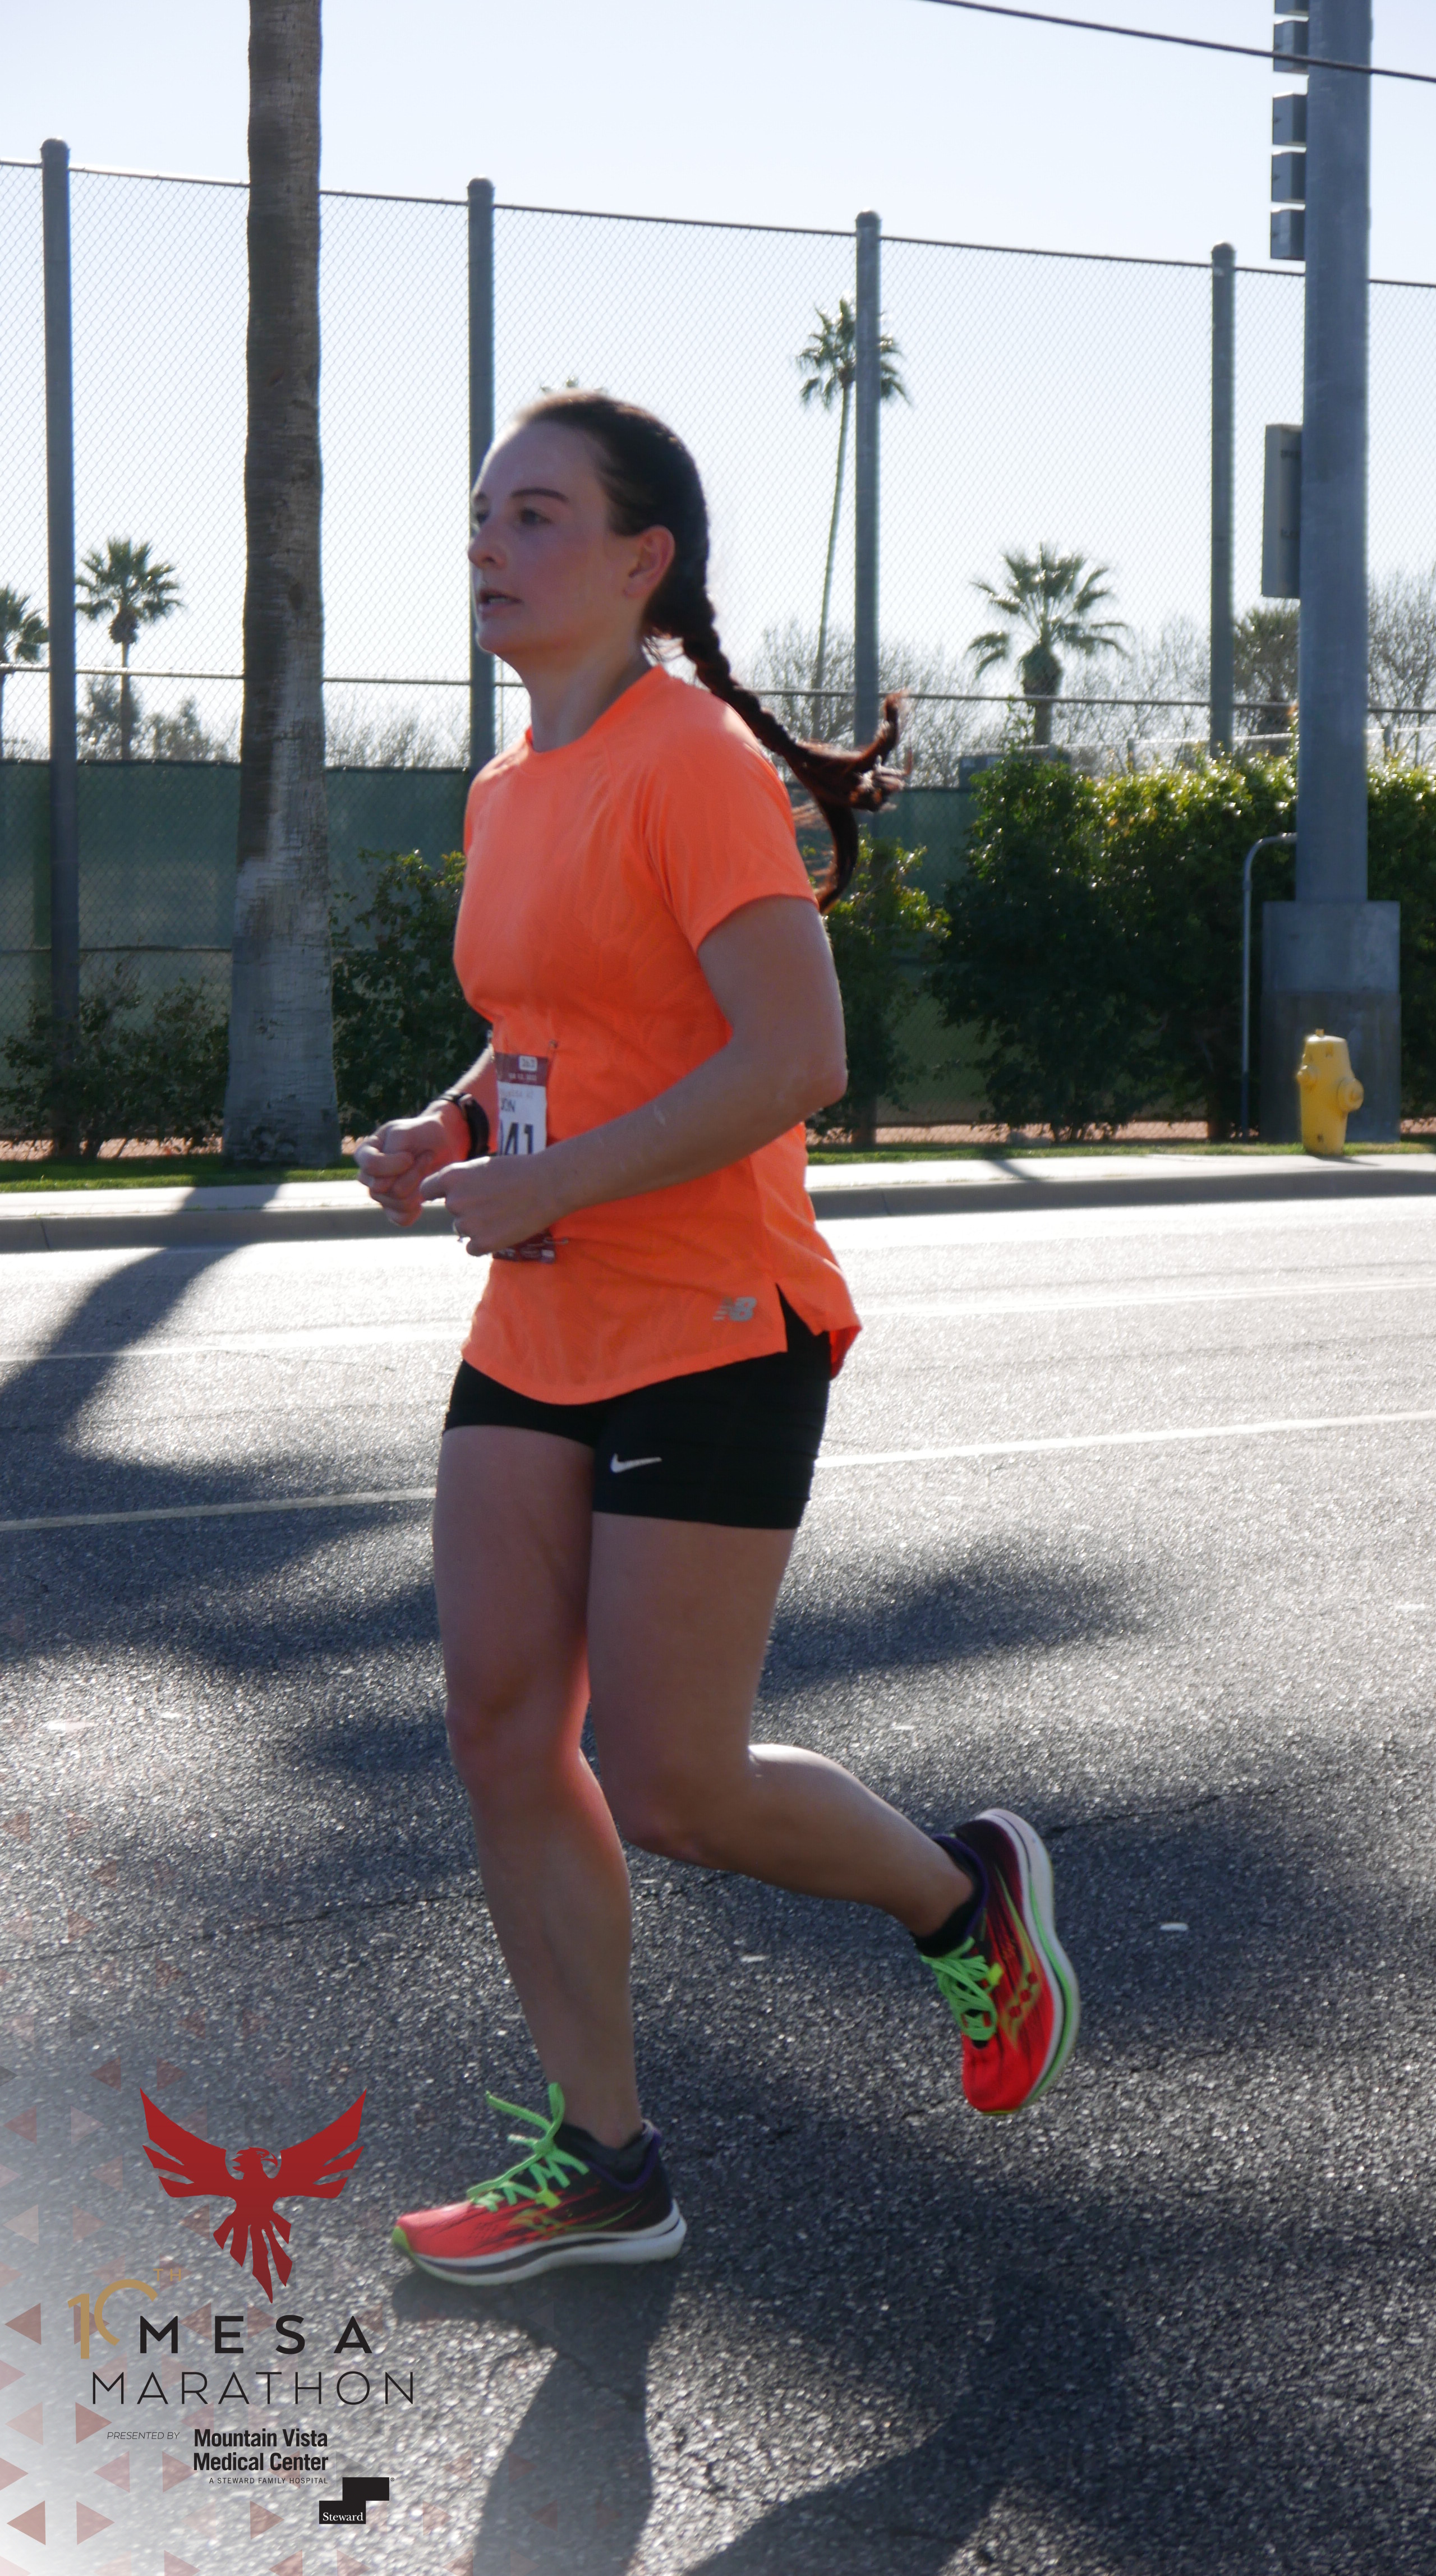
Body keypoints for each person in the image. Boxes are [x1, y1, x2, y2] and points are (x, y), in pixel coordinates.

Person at [356, 393, 1078, 2286]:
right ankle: (606, 2164)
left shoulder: (688, 762)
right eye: (482, 514)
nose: (490, 544)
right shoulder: (508, 786)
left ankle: (964, 1901)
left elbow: (795, 1057)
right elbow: (553, 1025)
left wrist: (548, 1172)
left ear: (639, 559)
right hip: (543, 1314)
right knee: (503, 1727)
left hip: (714, 1321)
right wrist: (450, 1125)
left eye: (535, 514)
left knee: (675, 1784)